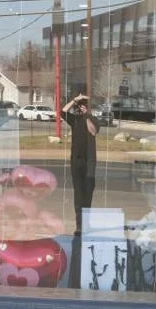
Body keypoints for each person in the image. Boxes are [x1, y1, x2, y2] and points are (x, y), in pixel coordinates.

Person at [60, 93, 100, 235]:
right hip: (76, 162)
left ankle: (86, 225)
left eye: (84, 106)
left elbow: (93, 131)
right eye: (80, 106)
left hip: (89, 163)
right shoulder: (75, 120)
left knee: (87, 195)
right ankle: (79, 226)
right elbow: (62, 112)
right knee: (78, 195)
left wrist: (86, 115)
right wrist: (74, 100)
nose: (81, 108)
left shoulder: (93, 120)